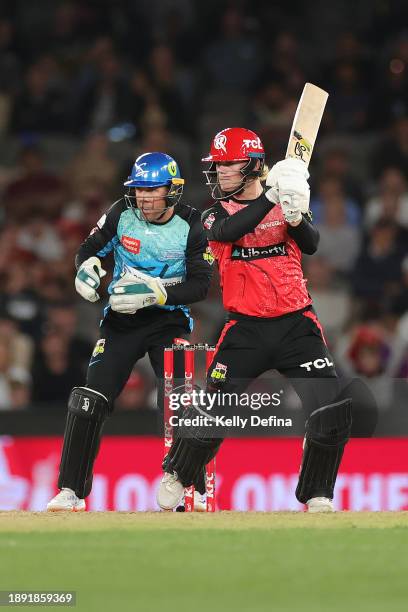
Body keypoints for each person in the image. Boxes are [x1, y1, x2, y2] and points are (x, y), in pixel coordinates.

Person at [157, 128, 353, 513]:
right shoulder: (213, 212)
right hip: (245, 328)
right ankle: (176, 474)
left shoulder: (284, 198)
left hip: (297, 323)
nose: (218, 172)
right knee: (215, 407)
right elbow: (230, 231)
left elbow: (311, 244)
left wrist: (295, 214)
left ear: (249, 166)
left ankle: (317, 493)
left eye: (225, 165)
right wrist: (271, 196)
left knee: (331, 409)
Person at [47, 152, 212, 511]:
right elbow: (88, 250)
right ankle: (70, 491)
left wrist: (161, 292)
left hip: (169, 319)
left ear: (173, 190)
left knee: (179, 400)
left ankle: (191, 488)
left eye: (154, 191)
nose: (145, 199)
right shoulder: (121, 213)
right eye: (140, 191)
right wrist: (86, 269)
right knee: (89, 398)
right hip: (122, 320)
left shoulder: (192, 223)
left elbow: (202, 284)